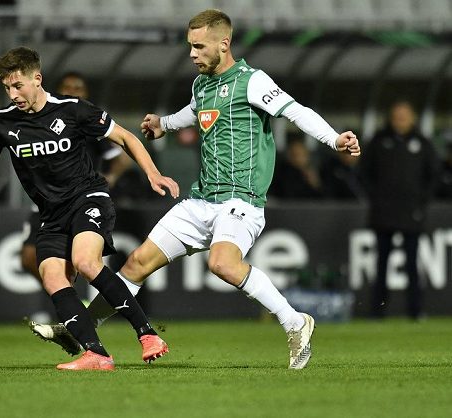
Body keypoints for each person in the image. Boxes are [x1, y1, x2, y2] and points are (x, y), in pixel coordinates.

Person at [30, 9, 361, 370]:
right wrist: (164, 125)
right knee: (137, 263)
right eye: (190, 46)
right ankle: (82, 329)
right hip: (202, 199)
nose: (192, 54)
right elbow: (196, 111)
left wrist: (334, 139)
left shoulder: (252, 81)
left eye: (199, 46)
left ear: (224, 43)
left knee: (222, 263)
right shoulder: (202, 84)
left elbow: (295, 111)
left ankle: (295, 322)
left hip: (241, 199)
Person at [0, 46, 180, 370]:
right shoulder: (2, 121)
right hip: (51, 213)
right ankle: (96, 354)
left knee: (85, 261)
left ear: (37, 78)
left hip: (88, 197)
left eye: (18, 85)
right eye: (7, 87)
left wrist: (153, 173)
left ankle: (147, 334)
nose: (13, 93)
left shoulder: (72, 109)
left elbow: (125, 138)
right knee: (51, 276)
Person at [20, 71, 132, 280]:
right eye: (67, 87)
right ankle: (71, 301)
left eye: (77, 88)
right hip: (46, 202)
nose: (72, 92)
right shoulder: (42, 120)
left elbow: (122, 157)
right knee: (28, 257)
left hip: (80, 200)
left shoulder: (89, 122)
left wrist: (110, 177)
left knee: (82, 261)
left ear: (85, 93)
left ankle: (81, 305)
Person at [360, 100, 439, 319]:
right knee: (381, 263)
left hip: (411, 213)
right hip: (383, 212)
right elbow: (364, 172)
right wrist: (376, 197)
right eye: (396, 116)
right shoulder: (378, 141)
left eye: (404, 116)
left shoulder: (422, 143)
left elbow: (433, 176)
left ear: (412, 118)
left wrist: (420, 201)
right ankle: (377, 311)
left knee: (412, 263)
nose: (400, 121)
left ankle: (415, 311)